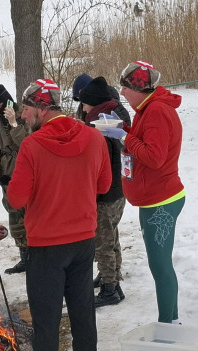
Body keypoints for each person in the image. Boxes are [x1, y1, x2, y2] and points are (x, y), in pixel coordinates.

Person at [7, 79, 111, 351]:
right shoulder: (94, 137)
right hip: (83, 239)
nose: (23, 117)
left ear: (40, 107)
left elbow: (16, 198)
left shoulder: (33, 146)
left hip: (46, 244)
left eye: (25, 109)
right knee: (82, 310)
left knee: (47, 316)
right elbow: (105, 184)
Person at [101, 60, 186, 323]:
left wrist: (124, 138)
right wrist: (122, 130)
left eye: (126, 88)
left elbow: (155, 156)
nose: (123, 93)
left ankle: (168, 325)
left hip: (162, 200)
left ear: (140, 88)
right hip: (152, 199)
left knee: (161, 267)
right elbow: (144, 143)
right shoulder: (146, 109)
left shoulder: (157, 111)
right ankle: (170, 321)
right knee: (158, 265)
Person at [76, 76, 127, 307]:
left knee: (102, 241)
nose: (82, 107)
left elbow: (100, 162)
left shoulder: (99, 123)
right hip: (119, 188)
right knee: (111, 234)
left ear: (93, 103)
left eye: (84, 103)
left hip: (106, 192)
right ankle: (113, 278)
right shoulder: (114, 116)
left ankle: (110, 288)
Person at [0, 84, 31, 273]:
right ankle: (25, 257)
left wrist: (14, 124)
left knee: (31, 214)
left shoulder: (25, 116)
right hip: (7, 176)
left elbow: (28, 143)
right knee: (14, 215)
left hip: (27, 171)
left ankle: (38, 256)